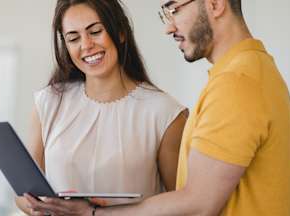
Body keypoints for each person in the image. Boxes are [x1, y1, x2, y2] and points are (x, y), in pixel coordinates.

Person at [25, 0, 290, 215]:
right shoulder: (244, 75)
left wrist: (93, 214)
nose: (169, 27)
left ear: (215, 4)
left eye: (174, 9)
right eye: (73, 38)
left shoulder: (237, 83)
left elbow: (196, 205)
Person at [16, 0, 188, 215]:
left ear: (121, 32)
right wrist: (40, 208)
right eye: (73, 38)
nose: (86, 45)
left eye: (95, 31)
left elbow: (183, 204)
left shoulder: (165, 114)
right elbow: (24, 194)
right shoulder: (48, 103)